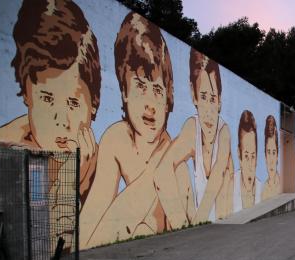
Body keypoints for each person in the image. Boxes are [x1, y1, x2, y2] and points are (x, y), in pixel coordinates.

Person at [80, 12, 173, 248]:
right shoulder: (117, 138)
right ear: (123, 91)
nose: (151, 104)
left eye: (158, 90)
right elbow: (91, 225)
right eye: (140, 86)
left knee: (145, 227)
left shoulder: (171, 149)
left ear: (168, 98)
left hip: (163, 257)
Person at [0, 0, 100, 204]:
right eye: (47, 98)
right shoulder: (6, 150)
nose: (61, 120)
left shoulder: (96, 156)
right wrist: (72, 179)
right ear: (27, 94)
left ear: (93, 104)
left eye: (72, 103)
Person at [154, 48, 233, 227]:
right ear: (193, 95)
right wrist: (182, 224)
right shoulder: (192, 128)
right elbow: (161, 173)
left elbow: (218, 175)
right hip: (195, 217)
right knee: (178, 168)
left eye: (213, 99)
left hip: (224, 219)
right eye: (203, 97)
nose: (208, 111)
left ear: (219, 101)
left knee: (227, 172)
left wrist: (199, 222)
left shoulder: (224, 132)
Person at [233, 111, 262, 211]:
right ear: (238, 155)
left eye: (253, 157)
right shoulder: (230, 186)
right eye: (246, 156)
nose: (250, 166)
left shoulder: (261, 188)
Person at [261, 115, 281, 201]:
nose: (271, 161)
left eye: (274, 152)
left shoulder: (281, 185)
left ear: (277, 156)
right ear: (265, 156)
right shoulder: (264, 190)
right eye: (268, 152)